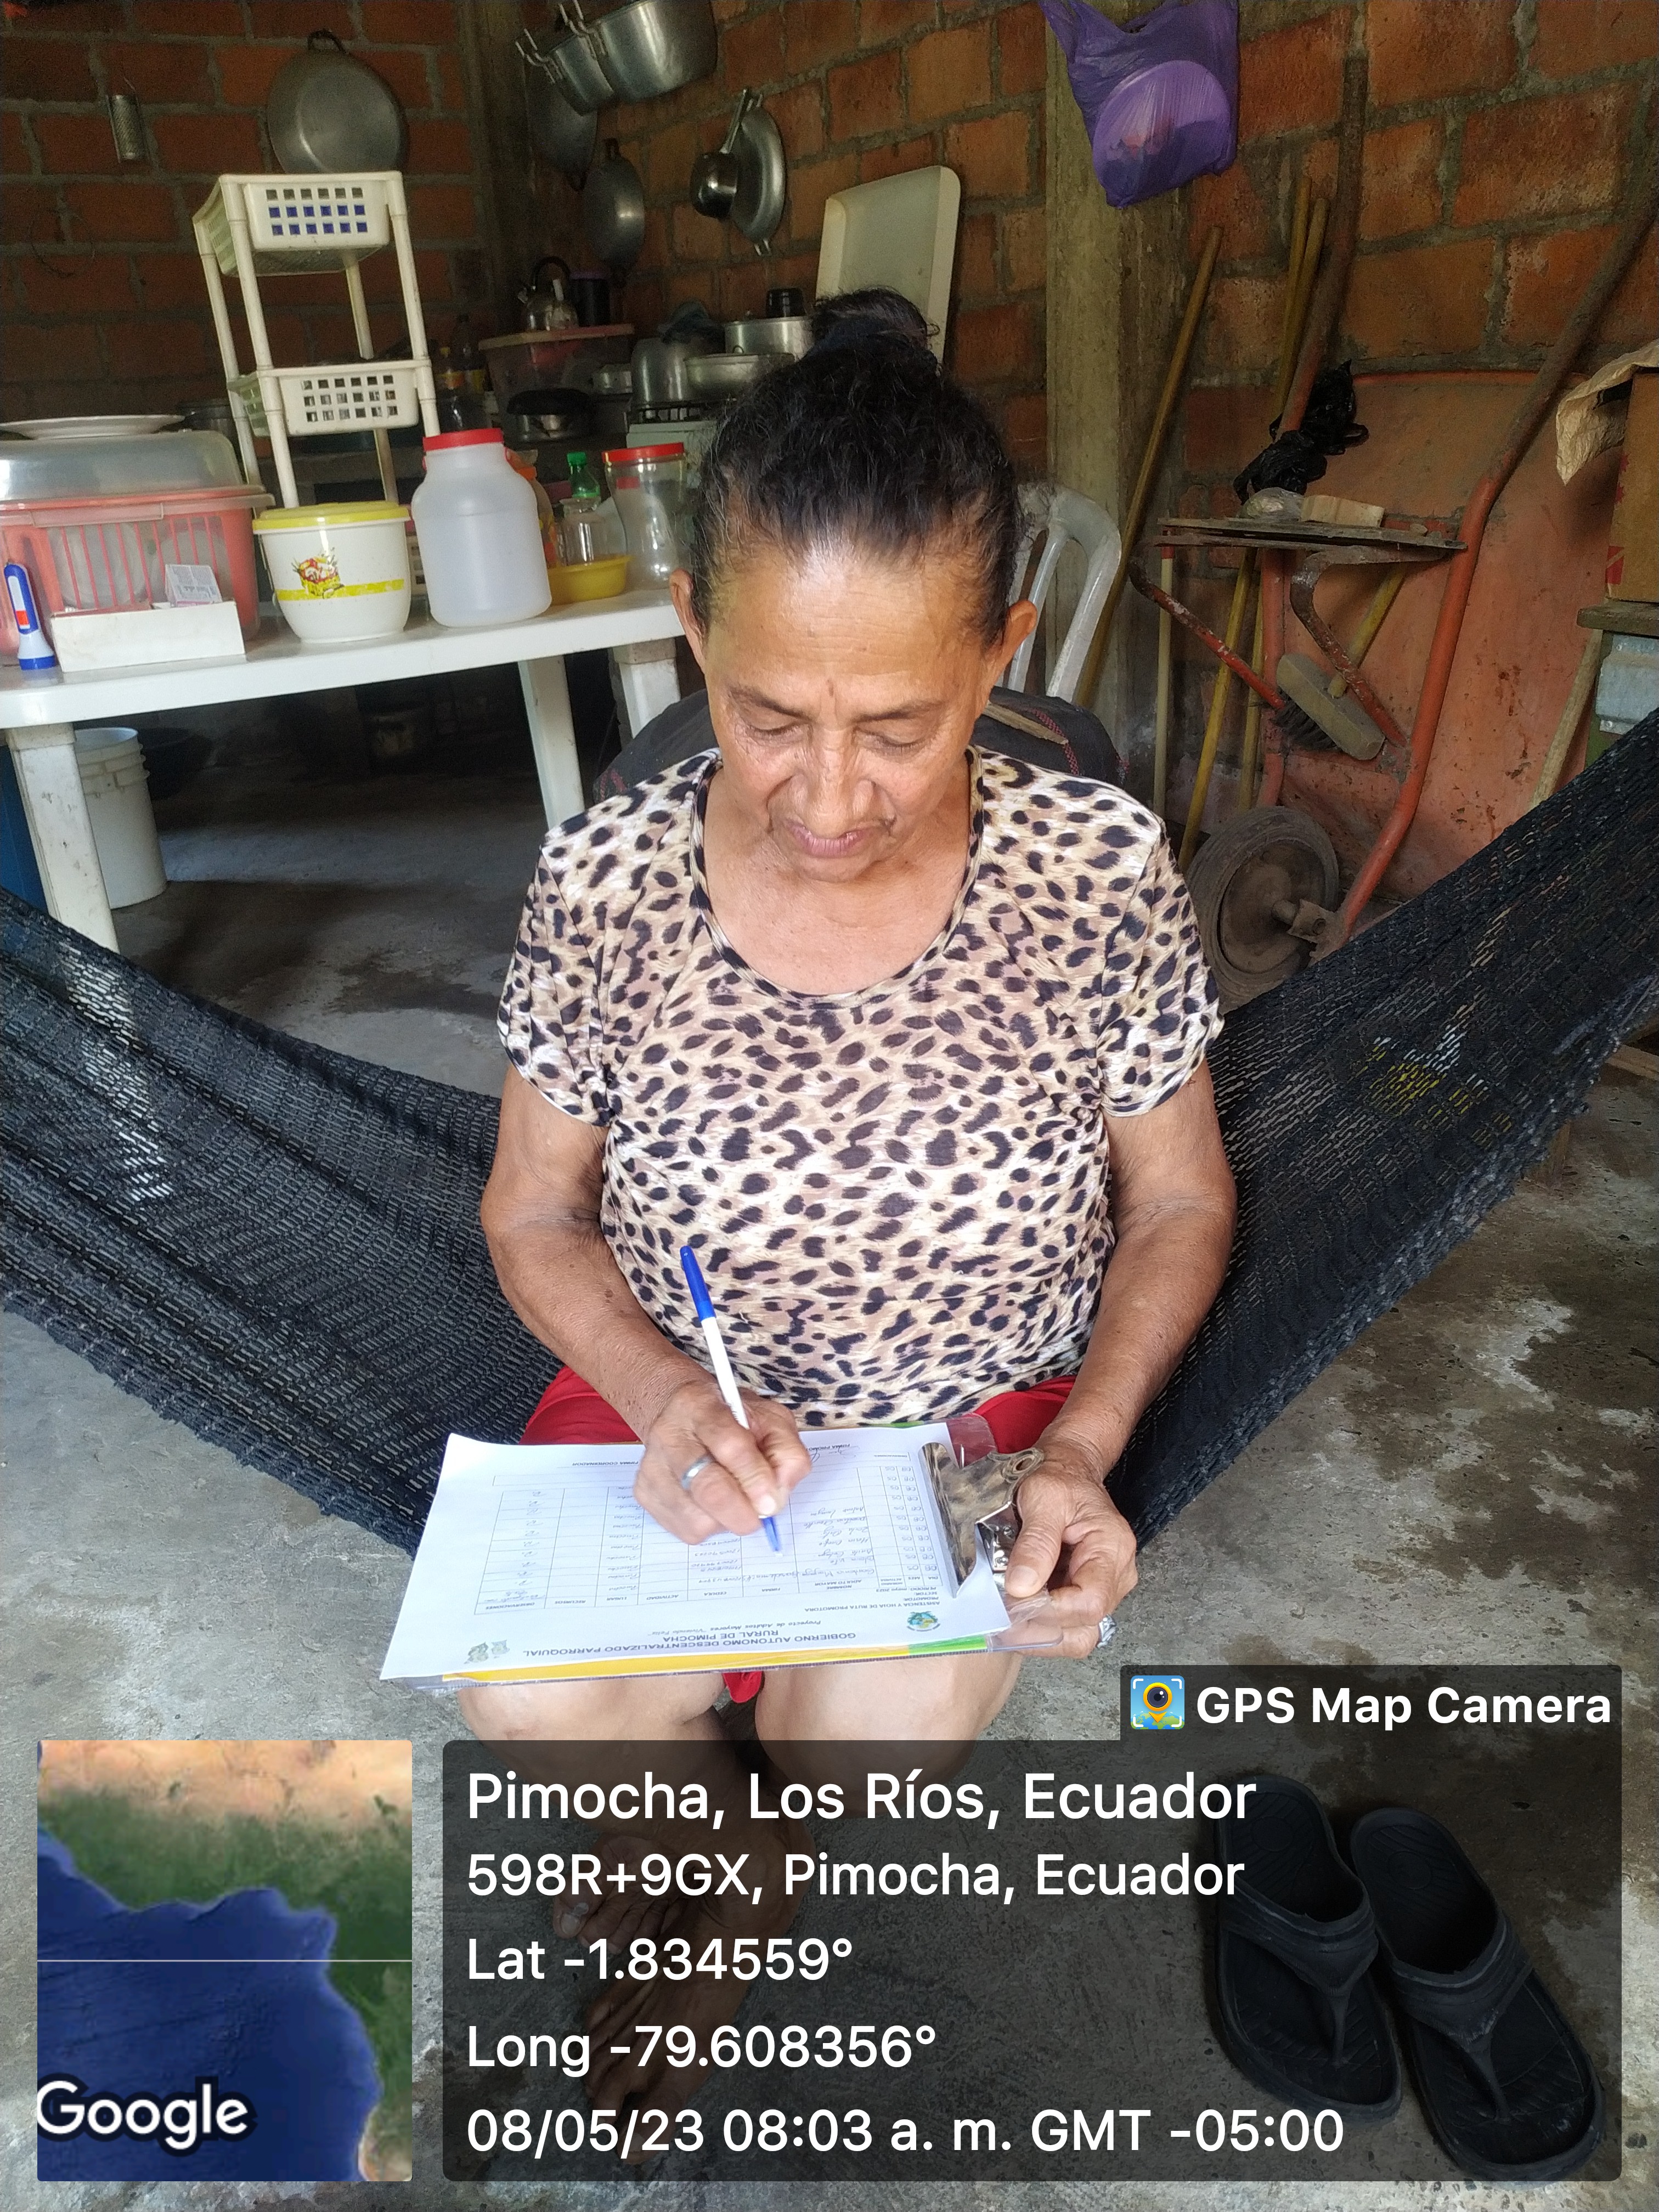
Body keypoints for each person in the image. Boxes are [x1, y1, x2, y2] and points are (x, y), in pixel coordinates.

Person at [465, 290, 1235, 1752]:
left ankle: (752, 1828)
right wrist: (660, 1392)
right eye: (767, 719)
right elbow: (534, 1211)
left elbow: (1183, 1197)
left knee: (859, 1746)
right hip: (673, 1408)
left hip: (982, 1424)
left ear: (1001, 652)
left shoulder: (1097, 870)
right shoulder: (604, 880)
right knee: (533, 1702)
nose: (827, 800)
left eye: (897, 729)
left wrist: (1083, 1451)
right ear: (694, 630)